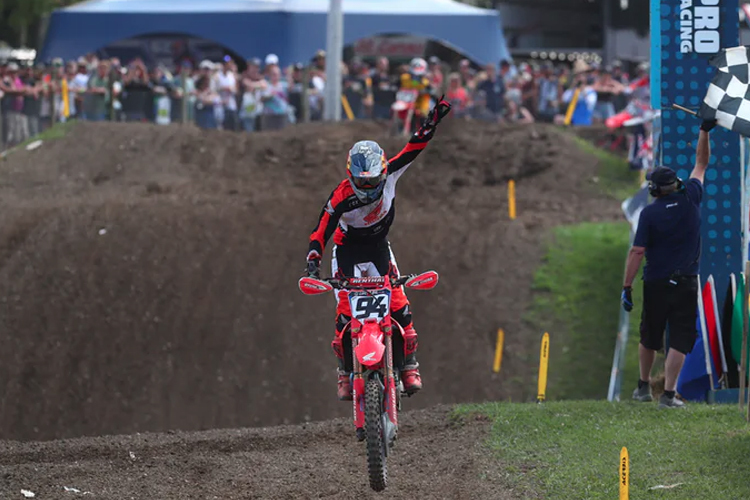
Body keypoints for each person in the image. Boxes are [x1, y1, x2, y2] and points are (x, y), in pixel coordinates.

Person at [305, 97, 452, 401]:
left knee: (400, 304)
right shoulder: (340, 197)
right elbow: (321, 228)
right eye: (362, 181)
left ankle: (410, 366)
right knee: (345, 313)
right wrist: (313, 259)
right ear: (351, 175)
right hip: (346, 251)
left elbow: (413, 148)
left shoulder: (392, 174)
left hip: (378, 248)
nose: (370, 187)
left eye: (373, 181)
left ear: (383, 172)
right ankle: (344, 374)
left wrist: (431, 123)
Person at [621, 118, 716, 409]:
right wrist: (704, 131)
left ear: (655, 190)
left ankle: (642, 387)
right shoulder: (691, 197)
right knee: (681, 337)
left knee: (650, 334)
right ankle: (669, 395)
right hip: (686, 280)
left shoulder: (649, 214)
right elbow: (701, 162)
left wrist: (627, 286)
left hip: (655, 281)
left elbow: (637, 252)